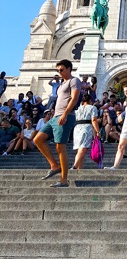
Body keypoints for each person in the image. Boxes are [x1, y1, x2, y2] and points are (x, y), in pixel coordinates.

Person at [33, 59, 81, 187]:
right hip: (55, 117)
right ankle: (54, 165)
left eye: (61, 70)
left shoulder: (74, 80)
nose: (59, 72)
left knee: (60, 147)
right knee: (38, 139)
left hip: (66, 116)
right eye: (58, 70)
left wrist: (65, 114)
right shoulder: (61, 84)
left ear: (69, 69)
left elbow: (75, 98)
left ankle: (64, 180)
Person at [70, 93, 100, 170]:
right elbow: (93, 120)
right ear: (90, 100)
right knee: (83, 148)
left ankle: (79, 169)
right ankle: (75, 166)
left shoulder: (78, 109)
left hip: (77, 128)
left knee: (79, 149)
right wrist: (97, 131)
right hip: (86, 127)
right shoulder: (92, 108)